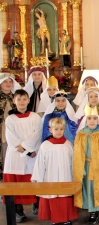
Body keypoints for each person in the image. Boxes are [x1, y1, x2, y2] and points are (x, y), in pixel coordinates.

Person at [3, 89, 42, 222]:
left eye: (24, 99)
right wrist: (26, 151)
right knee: (15, 182)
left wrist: (28, 149)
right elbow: (11, 138)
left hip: (33, 153)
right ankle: (17, 210)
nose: (21, 102)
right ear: (14, 101)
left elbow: (37, 134)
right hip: (16, 154)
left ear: (28, 100)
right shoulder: (10, 119)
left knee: (33, 179)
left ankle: (36, 204)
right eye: (18, 99)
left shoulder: (35, 117)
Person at [31, 118, 78, 225]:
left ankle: (66, 218)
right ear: (50, 130)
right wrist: (38, 179)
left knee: (65, 197)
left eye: (61, 129)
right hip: (50, 176)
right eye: (56, 129)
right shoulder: (45, 145)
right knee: (54, 197)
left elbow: (73, 162)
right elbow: (40, 164)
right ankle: (55, 219)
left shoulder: (68, 145)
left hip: (66, 176)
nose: (59, 131)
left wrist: (75, 176)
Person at [0, 73, 20, 174]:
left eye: (10, 81)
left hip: (15, 130)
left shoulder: (16, 97)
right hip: (2, 130)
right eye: (5, 82)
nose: (8, 84)